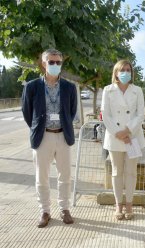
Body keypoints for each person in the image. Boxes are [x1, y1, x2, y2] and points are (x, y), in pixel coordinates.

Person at [22, 48, 77, 228]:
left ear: (61, 64)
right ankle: (45, 211)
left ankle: (64, 209)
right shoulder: (31, 87)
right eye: (51, 62)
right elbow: (27, 113)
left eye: (58, 62)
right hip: (42, 137)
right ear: (44, 63)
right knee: (42, 177)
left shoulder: (70, 87)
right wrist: (38, 129)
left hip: (63, 135)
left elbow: (72, 111)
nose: (55, 65)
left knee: (65, 176)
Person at [101, 60, 145, 220]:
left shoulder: (137, 90)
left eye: (128, 70)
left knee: (131, 172)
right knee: (116, 172)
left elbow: (141, 114)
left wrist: (127, 131)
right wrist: (118, 133)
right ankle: (118, 206)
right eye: (122, 70)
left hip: (133, 136)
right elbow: (105, 114)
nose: (126, 73)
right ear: (116, 72)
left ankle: (129, 205)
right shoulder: (108, 90)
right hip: (115, 138)